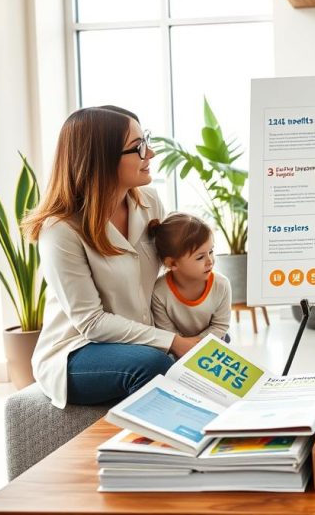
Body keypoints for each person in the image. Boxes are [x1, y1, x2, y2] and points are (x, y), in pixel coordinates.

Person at [25, 105, 200, 408]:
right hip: (80, 350)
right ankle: (166, 448)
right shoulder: (60, 230)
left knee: (215, 348)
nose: (152, 154)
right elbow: (91, 323)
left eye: (146, 140)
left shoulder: (149, 202)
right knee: (150, 365)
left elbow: (167, 275)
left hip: (141, 335)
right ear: (101, 159)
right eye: (138, 147)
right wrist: (172, 342)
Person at [149, 213, 232, 343]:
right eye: (200, 257)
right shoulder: (159, 292)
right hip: (177, 347)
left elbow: (220, 326)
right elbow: (167, 333)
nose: (210, 261)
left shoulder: (221, 285)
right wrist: (184, 346)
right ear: (172, 263)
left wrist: (195, 343)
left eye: (211, 251)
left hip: (215, 340)